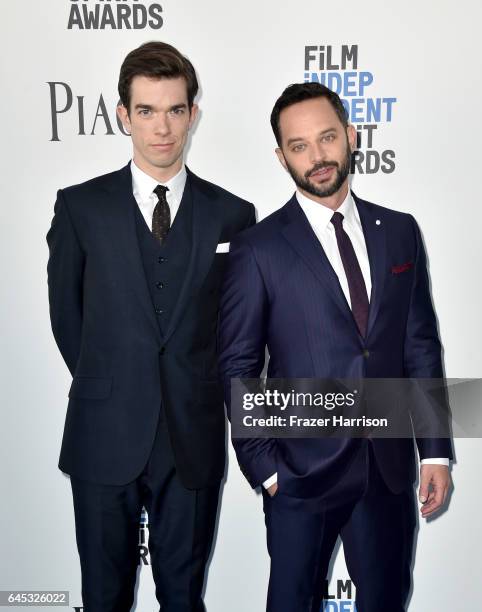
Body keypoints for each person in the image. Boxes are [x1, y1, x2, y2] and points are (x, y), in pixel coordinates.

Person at [218, 82, 452, 612]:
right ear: (282, 158)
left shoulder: (399, 232)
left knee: (387, 601)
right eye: (299, 146)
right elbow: (238, 366)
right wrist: (267, 470)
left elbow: (420, 345)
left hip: (388, 472)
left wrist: (434, 449)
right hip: (300, 474)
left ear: (349, 136)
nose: (317, 156)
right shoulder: (258, 249)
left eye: (326, 138)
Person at [46, 41, 254, 612]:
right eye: (146, 111)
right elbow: (68, 318)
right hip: (102, 433)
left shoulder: (232, 214)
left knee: (183, 599)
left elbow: (237, 330)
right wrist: (112, 379)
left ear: (192, 113)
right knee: (103, 598)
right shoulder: (80, 208)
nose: (162, 128)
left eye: (175, 110)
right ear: (122, 115)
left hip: (192, 435)